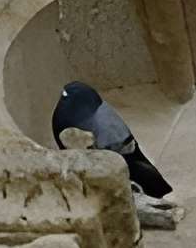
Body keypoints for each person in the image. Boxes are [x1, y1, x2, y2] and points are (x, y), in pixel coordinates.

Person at [51, 80, 179, 227]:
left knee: (141, 173)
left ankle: (155, 188)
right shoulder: (74, 115)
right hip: (103, 153)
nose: (63, 98)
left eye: (65, 96)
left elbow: (126, 149)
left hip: (120, 153)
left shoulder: (102, 124)